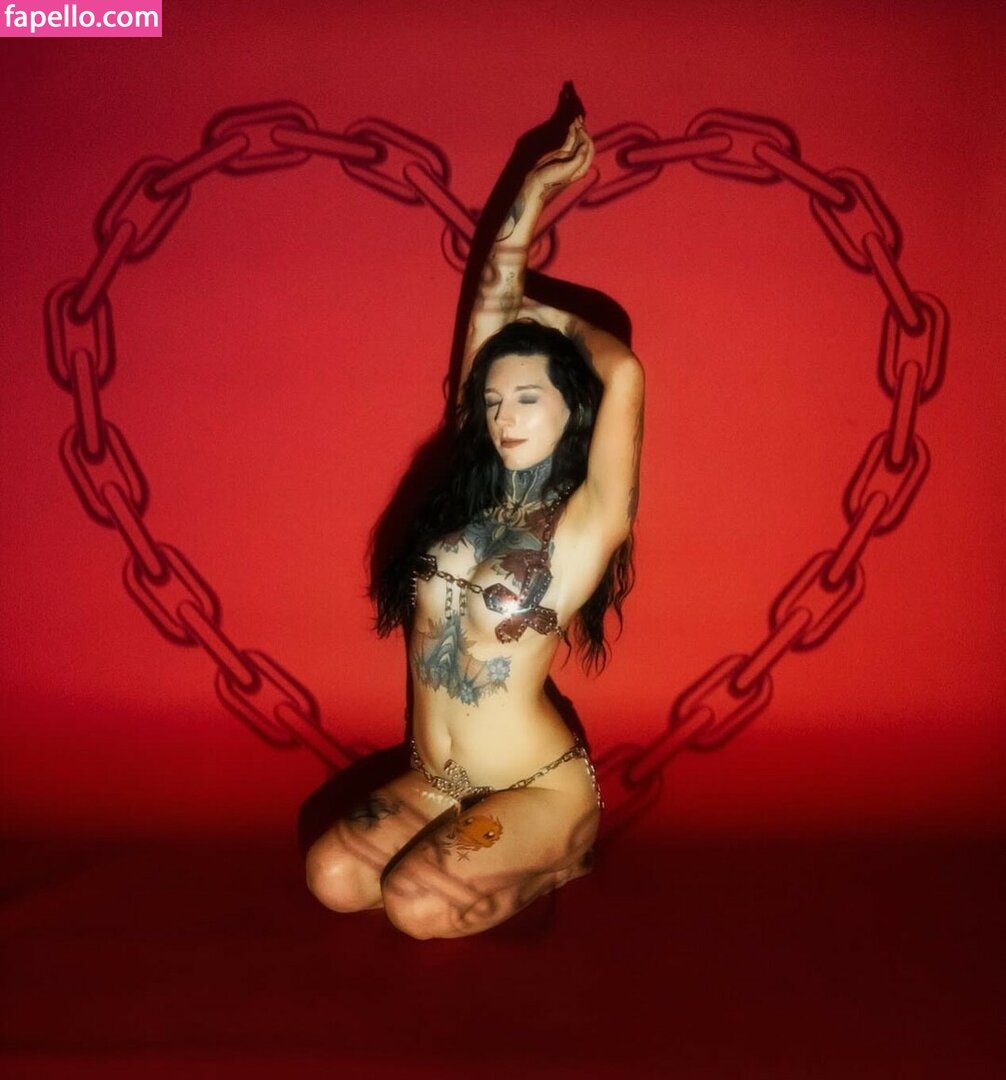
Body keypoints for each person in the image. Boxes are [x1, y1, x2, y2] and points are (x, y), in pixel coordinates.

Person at [306, 115, 644, 939]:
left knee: (416, 905)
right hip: (442, 778)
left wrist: (544, 320)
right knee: (333, 877)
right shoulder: (466, 500)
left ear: (572, 410)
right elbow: (490, 300)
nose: (504, 416)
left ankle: (564, 849)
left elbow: (625, 370)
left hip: (535, 782)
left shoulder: (583, 525)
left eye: (529, 398)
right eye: (494, 401)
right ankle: (470, 832)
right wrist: (531, 192)